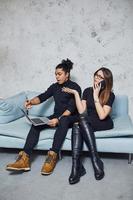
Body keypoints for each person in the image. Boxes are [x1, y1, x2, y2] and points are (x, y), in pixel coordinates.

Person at [6, 59, 81, 175]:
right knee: (36, 123)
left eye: (60, 74)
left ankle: (53, 156)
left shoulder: (74, 87)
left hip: (70, 117)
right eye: (56, 74)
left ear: (67, 74)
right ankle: (24, 159)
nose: (57, 77)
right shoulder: (55, 87)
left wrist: (58, 119)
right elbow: (42, 97)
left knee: (64, 120)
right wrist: (30, 101)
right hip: (56, 115)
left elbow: (71, 108)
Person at [63, 67, 115, 184]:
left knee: (80, 122)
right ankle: (77, 166)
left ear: (106, 80)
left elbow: (102, 116)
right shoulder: (87, 91)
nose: (96, 78)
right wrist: (76, 93)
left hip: (103, 122)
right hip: (87, 120)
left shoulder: (110, 95)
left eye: (100, 77)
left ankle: (93, 161)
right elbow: (81, 111)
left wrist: (96, 96)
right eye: (96, 75)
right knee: (78, 123)